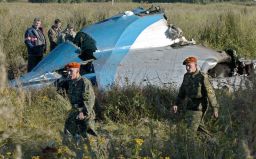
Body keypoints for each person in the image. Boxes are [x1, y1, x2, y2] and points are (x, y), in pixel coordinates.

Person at [172, 56, 219, 135]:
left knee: (190, 129)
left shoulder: (202, 77)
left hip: (199, 106)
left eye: (189, 65)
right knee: (199, 128)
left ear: (195, 65)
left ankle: (189, 145)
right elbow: (182, 91)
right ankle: (211, 142)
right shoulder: (186, 76)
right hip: (189, 106)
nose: (187, 68)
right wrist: (176, 104)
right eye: (186, 66)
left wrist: (215, 108)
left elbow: (210, 93)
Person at [57, 62, 97, 139]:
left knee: (88, 138)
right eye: (68, 71)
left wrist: (84, 112)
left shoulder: (84, 82)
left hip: (85, 113)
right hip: (74, 112)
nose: (69, 73)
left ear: (77, 71)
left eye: (71, 71)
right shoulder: (71, 82)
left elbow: (89, 99)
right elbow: (59, 91)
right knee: (68, 135)